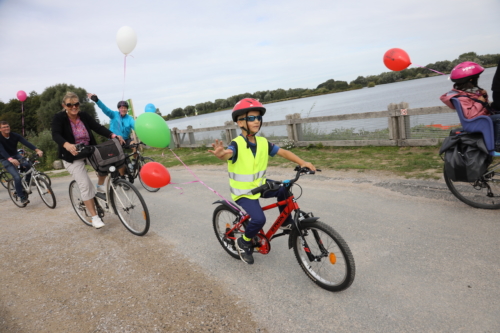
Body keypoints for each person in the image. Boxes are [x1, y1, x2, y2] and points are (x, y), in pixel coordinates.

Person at [208, 98, 316, 265]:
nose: (256, 121)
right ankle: (243, 242)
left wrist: (302, 163)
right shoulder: (236, 144)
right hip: (243, 192)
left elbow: (283, 152)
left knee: (284, 189)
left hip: (259, 185)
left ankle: (285, 223)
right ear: (240, 121)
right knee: (259, 220)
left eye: (258, 117)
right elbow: (228, 153)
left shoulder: (262, 142)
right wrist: (222, 154)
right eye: (251, 118)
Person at [51, 92, 124, 229]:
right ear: (64, 106)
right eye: (70, 105)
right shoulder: (59, 118)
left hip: (89, 150)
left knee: (107, 164)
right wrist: (66, 145)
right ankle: (94, 217)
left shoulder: (83, 116)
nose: (74, 107)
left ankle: (100, 187)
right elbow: (55, 134)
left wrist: (112, 134)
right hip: (72, 155)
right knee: (85, 184)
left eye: (76, 104)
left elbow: (97, 127)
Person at [440, 61, 500, 150]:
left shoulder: (468, 93)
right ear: (471, 80)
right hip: (476, 121)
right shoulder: (461, 97)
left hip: (481, 118)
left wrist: (483, 96)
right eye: (476, 78)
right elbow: (470, 115)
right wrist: (479, 102)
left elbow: (480, 107)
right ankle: (497, 144)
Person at [87, 93, 136, 187]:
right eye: (121, 108)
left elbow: (136, 126)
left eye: (125, 108)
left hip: (126, 139)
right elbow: (105, 109)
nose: (123, 109)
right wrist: (97, 100)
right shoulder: (114, 114)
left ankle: (133, 164)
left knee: (135, 145)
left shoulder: (129, 118)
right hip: (114, 141)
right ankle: (122, 178)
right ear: (119, 109)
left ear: (127, 109)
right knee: (120, 158)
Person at [0, 121, 43, 205]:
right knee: (17, 177)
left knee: (28, 164)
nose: (6, 128)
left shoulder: (15, 135)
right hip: (4, 158)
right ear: (0, 129)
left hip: (16, 155)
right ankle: (22, 197)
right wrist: (10, 159)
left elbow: (26, 143)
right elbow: (1, 150)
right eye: (4, 127)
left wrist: (37, 150)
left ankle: (27, 181)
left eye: (7, 126)